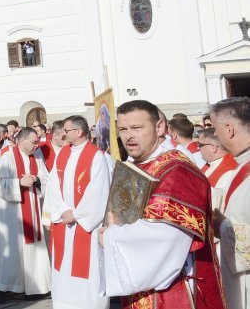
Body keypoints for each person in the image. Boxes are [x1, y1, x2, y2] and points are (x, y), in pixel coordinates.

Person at [101, 100, 226, 309]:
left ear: (159, 127)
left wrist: (109, 237)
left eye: (137, 128)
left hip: (175, 291)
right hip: (142, 287)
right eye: (122, 129)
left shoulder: (177, 171)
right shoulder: (139, 163)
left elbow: (164, 237)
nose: (128, 135)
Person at [44, 115, 110, 309]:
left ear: (79, 132)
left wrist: (77, 214)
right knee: (63, 268)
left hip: (84, 224)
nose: (63, 134)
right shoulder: (63, 154)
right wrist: (63, 209)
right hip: (65, 220)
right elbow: (53, 185)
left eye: (67, 130)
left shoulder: (96, 156)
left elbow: (99, 190)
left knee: (87, 269)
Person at [0, 128, 50, 303]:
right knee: (11, 251)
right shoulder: (8, 157)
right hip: (12, 214)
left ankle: (36, 288)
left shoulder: (37, 157)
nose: (37, 145)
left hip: (32, 210)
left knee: (34, 249)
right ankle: (2, 289)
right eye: (34, 142)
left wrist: (37, 181)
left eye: (37, 142)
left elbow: (46, 179)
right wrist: (19, 183)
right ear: (22, 141)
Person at [209, 97, 250, 309]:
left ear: (229, 128)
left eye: (215, 129)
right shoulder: (240, 167)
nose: (214, 135)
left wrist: (222, 227)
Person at [198, 127, 238, 211]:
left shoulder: (230, 171)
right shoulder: (209, 164)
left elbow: (219, 204)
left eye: (200, 145)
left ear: (213, 147)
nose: (198, 148)